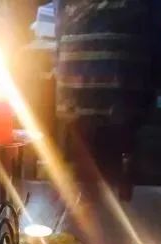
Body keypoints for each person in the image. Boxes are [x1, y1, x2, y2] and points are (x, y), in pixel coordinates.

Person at [54, 0, 153, 181]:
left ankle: (85, 188)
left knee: (84, 162)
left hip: (74, 102)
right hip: (119, 103)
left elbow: (59, 36)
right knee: (111, 160)